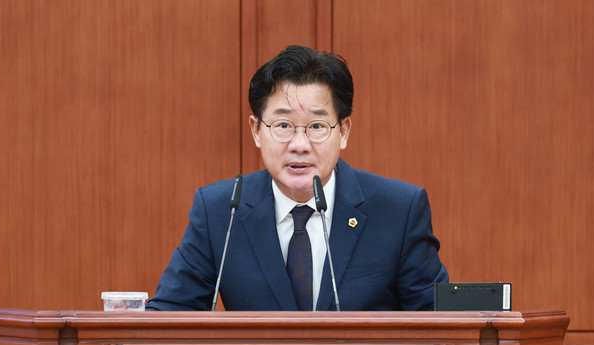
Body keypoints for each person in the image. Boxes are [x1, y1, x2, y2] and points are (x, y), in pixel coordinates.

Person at [146, 45, 448, 311]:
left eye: (316, 126)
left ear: (343, 132)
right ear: (256, 130)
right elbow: (168, 318)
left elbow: (439, 324)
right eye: (283, 125)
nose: (300, 145)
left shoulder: (399, 211)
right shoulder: (220, 211)